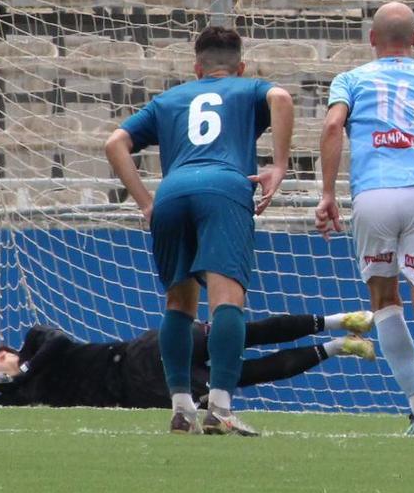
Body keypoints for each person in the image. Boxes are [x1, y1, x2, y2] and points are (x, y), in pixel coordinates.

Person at [104, 25, 292, 436]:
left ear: (197, 66)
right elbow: (281, 97)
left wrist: (146, 203)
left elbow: (114, 143)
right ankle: (220, 406)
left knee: (178, 301)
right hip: (224, 186)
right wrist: (279, 165)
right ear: (240, 66)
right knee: (226, 300)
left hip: (172, 191)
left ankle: (181, 407)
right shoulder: (249, 88)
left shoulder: (168, 99)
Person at [316, 1, 414, 436]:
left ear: (372, 40)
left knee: (385, 302)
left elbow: (333, 128)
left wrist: (328, 193)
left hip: (373, 196)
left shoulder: (351, 78)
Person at [0, 310, 376, 408]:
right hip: (143, 394)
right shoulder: (19, 400)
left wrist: (25, 371)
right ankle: (335, 348)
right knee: (244, 375)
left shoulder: (36, 343)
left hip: (139, 353)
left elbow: (59, 343)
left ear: (2, 355)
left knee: (236, 334)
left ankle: (332, 321)